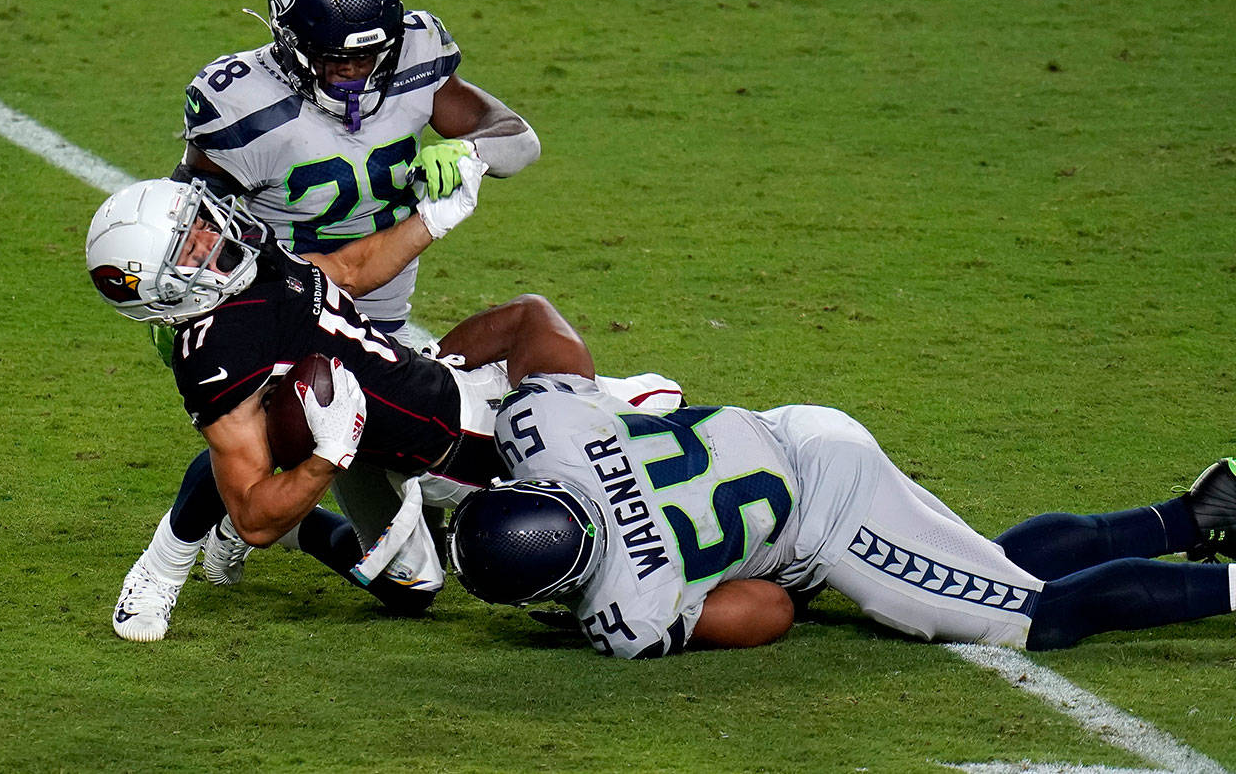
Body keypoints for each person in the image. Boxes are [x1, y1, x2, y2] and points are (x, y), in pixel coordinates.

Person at [132, 0, 548, 636]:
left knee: (414, 587)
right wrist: (186, 324)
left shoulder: (414, 60)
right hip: (284, 316)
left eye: (371, 58)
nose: (357, 75)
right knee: (259, 432)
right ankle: (163, 564)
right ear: (289, 45)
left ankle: (286, 528)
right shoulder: (243, 108)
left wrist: (469, 152)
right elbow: (183, 222)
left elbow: (520, 137)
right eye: (335, 60)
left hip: (380, 321)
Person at [86, 177, 681, 641]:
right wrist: (328, 455)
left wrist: (431, 223)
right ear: (165, 290)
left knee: (661, 408)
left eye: (201, 222)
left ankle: (310, 520)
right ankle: (163, 566)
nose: (216, 236)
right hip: (359, 449)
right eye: (191, 246)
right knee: (413, 586)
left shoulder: (253, 252)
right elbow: (254, 518)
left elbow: (343, 272)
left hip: (446, 409)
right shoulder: (213, 356)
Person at [446, 315, 1236, 657]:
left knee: (1041, 617)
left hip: (830, 518)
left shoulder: (628, 610)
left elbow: (773, 609)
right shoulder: (545, 432)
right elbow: (530, 318)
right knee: (993, 569)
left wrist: (665, 603)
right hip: (798, 427)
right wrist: (436, 374)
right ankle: (1193, 515)